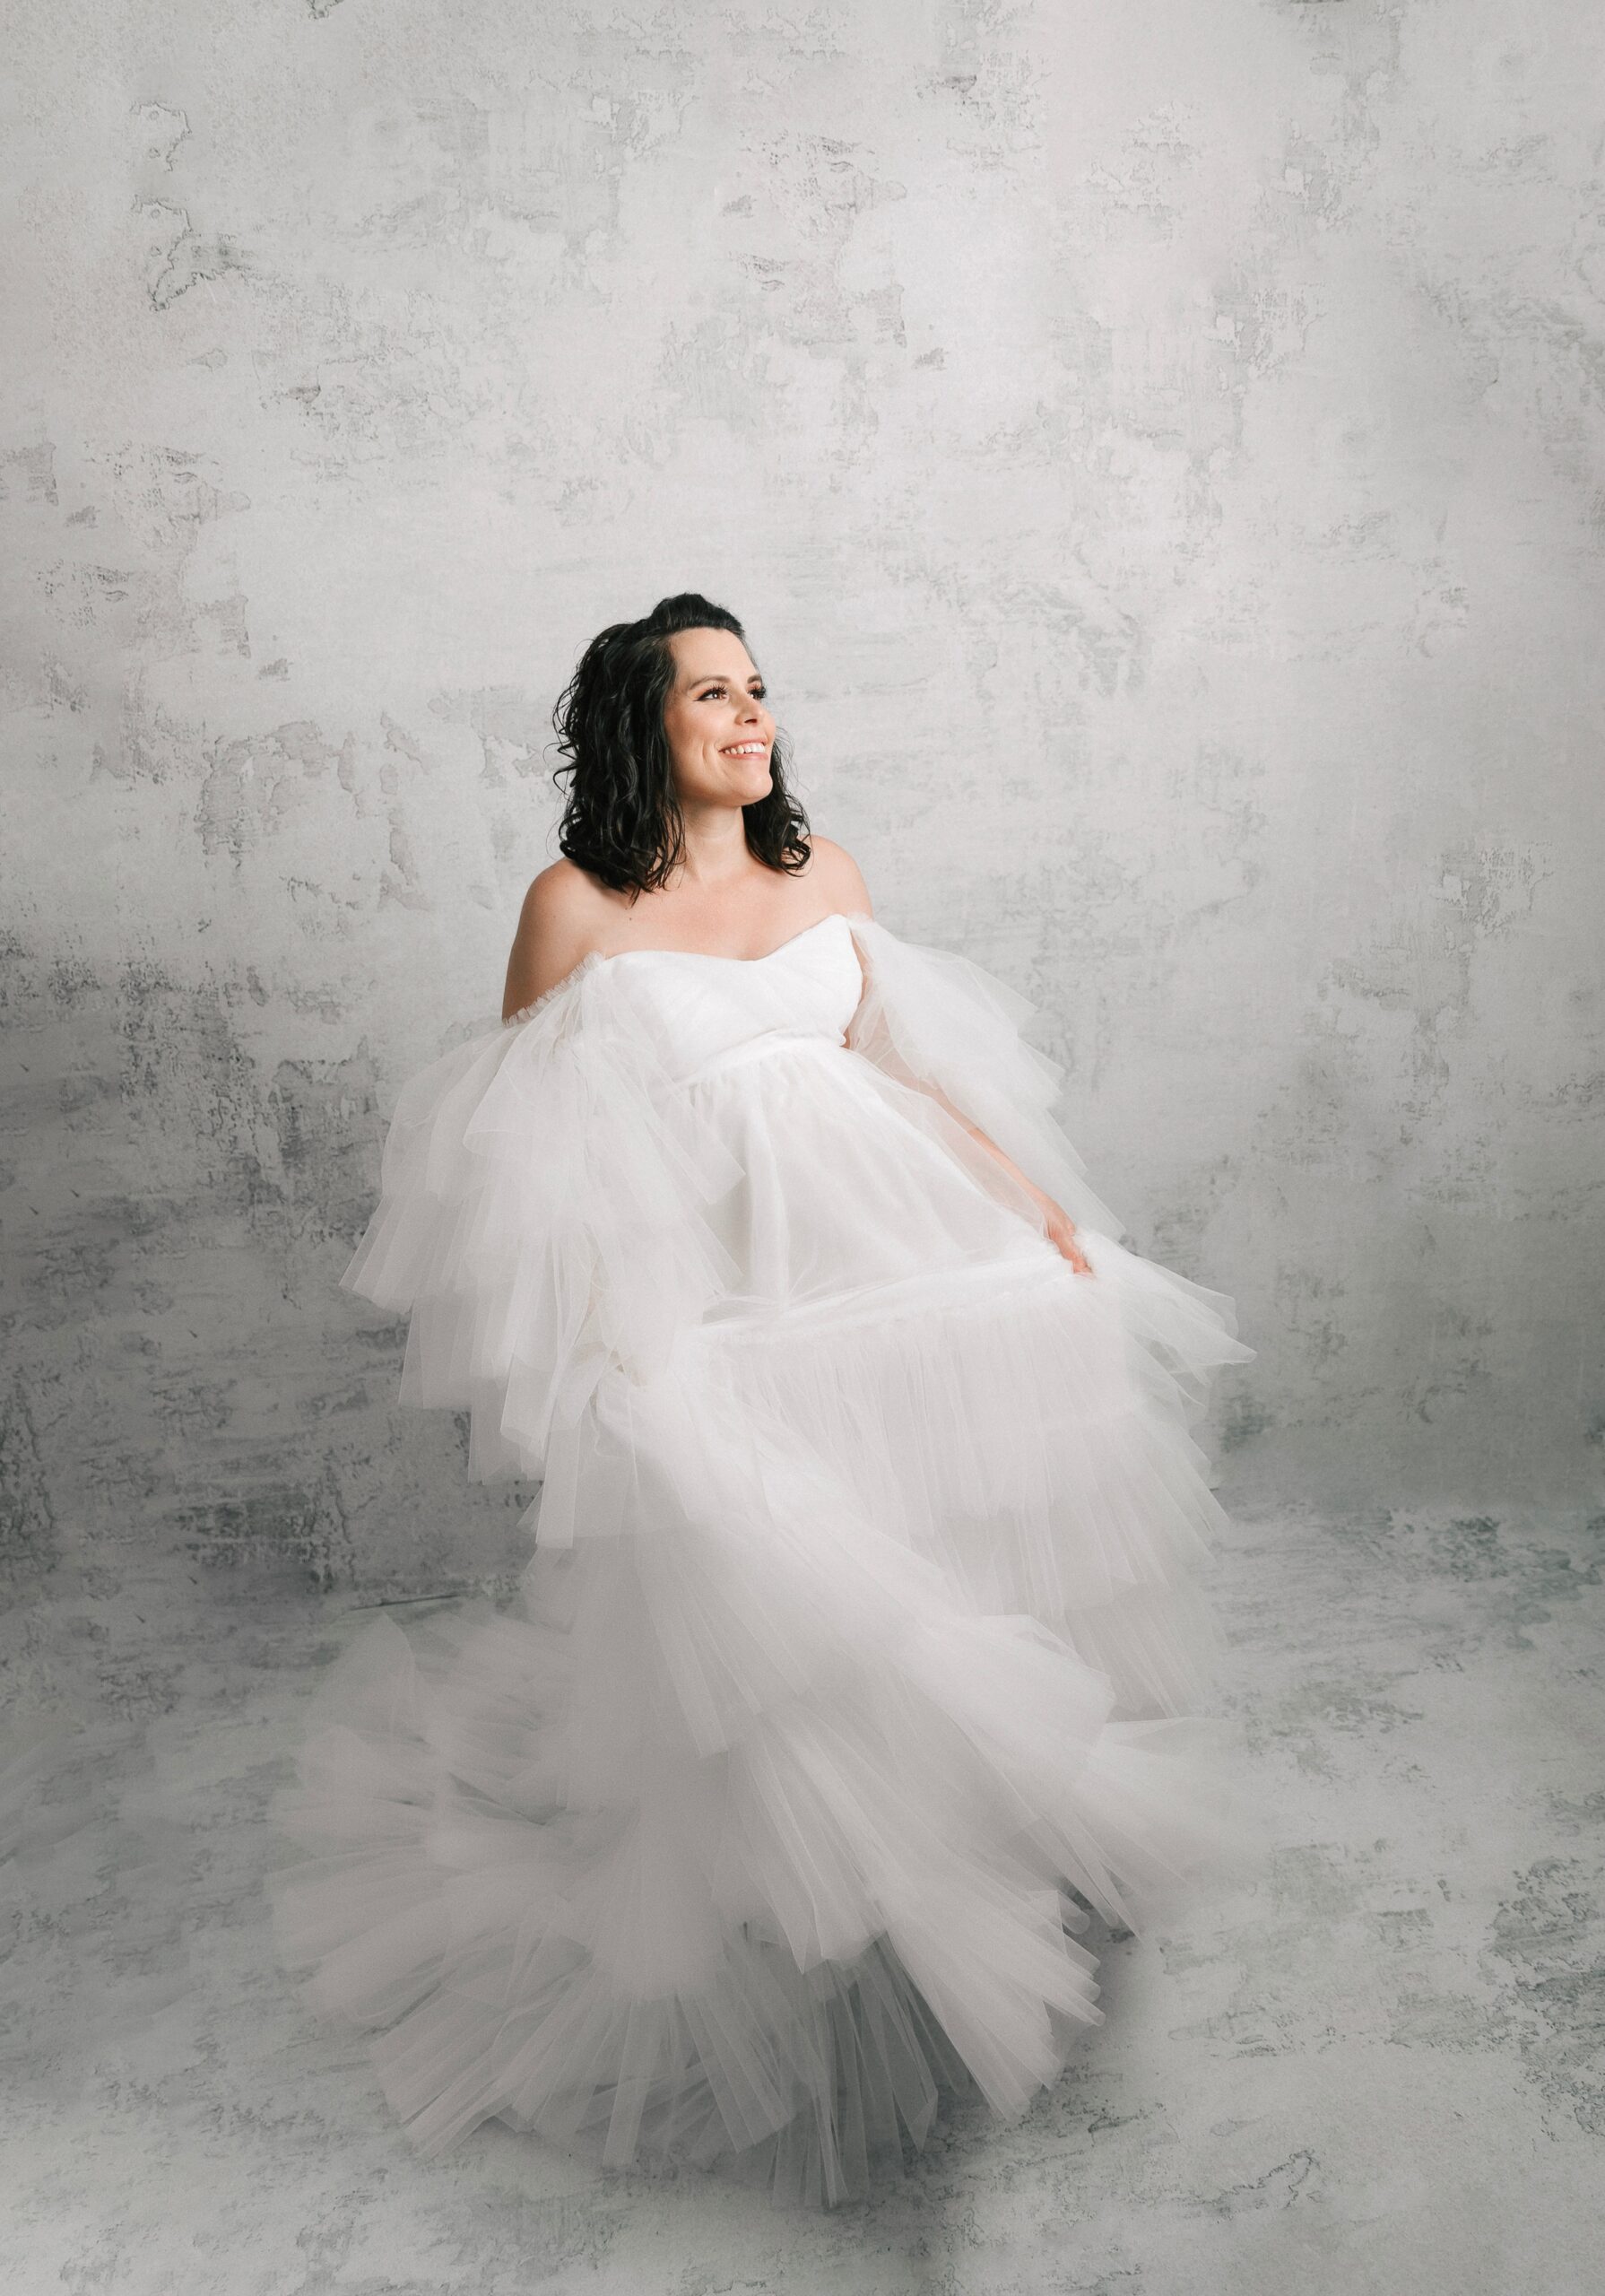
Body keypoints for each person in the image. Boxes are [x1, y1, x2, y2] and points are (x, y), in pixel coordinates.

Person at [266, 592, 1254, 2209]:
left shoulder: (826, 878)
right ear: (638, 725)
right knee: (785, 1591)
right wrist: (605, 1347)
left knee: (951, 1517)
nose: (750, 718)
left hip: (896, 1264)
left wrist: (1040, 1212)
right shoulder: (575, 904)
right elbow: (524, 1151)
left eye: (758, 689)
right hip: (727, 1301)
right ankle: (826, 1892)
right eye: (710, 695)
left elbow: (903, 1078)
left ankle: (965, 1836)